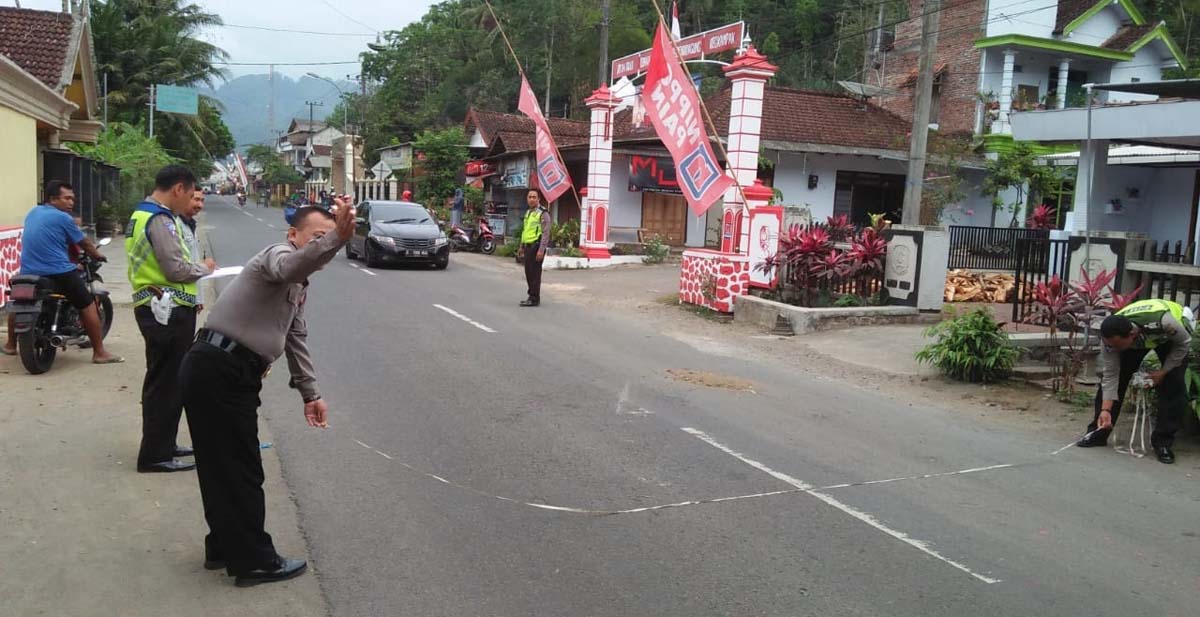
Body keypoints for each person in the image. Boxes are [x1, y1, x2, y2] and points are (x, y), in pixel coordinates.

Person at [178, 199, 354, 587]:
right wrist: (338, 237)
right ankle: (254, 561)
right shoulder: (278, 256)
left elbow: (295, 336)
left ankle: (223, 547)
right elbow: (293, 264)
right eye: (315, 239)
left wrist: (311, 394)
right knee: (241, 470)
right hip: (219, 369)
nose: (319, 248)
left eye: (327, 238)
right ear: (293, 236)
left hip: (223, 371)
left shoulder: (297, 286)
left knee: (223, 466)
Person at [126, 165, 216, 474]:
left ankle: (164, 444)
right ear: (178, 189)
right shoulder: (160, 219)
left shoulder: (142, 213)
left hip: (158, 308)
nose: (190, 201)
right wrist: (204, 268)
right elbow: (176, 270)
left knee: (165, 380)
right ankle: (154, 455)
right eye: (190, 194)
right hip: (167, 311)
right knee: (165, 384)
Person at [1, 181, 121, 363]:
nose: (71, 202)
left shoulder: (33, 212)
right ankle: (100, 353)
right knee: (87, 304)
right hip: (58, 271)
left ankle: (11, 345)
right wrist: (97, 255)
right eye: (67, 198)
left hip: (28, 271)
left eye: (72, 198)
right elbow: (85, 243)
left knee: (18, 303)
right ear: (53, 198)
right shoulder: (64, 218)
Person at [1078, 298, 1193, 464]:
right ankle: (1099, 431)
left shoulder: (1167, 322)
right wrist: (1105, 410)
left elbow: (1183, 344)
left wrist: (1163, 371)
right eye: (1109, 346)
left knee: (1173, 384)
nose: (1112, 349)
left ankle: (1163, 443)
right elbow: (1111, 375)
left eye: (1115, 346)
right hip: (1135, 343)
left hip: (1168, 339)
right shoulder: (1110, 340)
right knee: (1116, 379)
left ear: (1131, 336)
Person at [517, 189, 550, 307]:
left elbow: (546, 233)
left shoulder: (543, 213)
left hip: (537, 247)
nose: (531, 199)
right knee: (528, 273)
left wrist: (541, 250)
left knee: (535, 274)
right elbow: (525, 231)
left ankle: (534, 298)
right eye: (529, 197)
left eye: (534, 197)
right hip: (528, 246)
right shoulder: (528, 213)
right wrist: (521, 246)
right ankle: (531, 295)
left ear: (538, 199)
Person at [183, 189, 207, 309]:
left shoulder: (190, 225)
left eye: (202, 201)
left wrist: (199, 298)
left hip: (190, 299)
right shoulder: (173, 224)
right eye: (196, 200)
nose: (200, 205)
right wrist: (205, 267)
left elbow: (194, 260)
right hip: (176, 302)